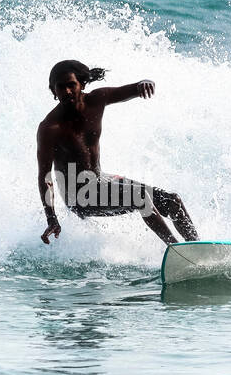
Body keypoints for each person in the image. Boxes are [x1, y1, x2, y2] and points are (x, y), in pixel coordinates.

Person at [36, 59, 199, 246]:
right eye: (60, 87)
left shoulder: (97, 99)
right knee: (140, 197)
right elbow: (45, 176)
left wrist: (143, 84)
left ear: (82, 84)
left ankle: (198, 247)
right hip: (79, 197)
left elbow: (132, 89)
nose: (67, 91)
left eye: (71, 85)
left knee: (172, 201)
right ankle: (177, 250)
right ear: (53, 90)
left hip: (101, 181)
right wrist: (51, 218)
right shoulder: (50, 128)